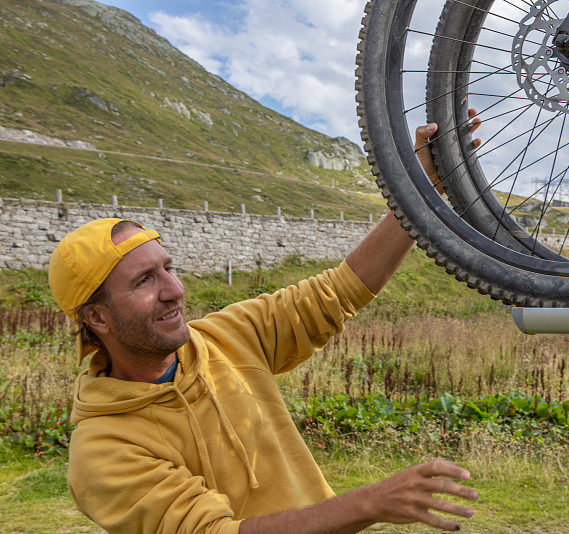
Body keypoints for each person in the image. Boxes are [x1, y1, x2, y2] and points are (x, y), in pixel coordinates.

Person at [50, 117, 482, 534]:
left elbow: (340, 291)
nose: (173, 290)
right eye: (144, 281)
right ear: (96, 317)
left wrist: (420, 189)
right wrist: (370, 502)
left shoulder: (225, 336)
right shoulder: (103, 450)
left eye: (168, 268)